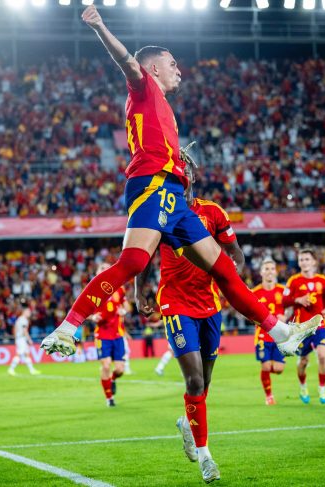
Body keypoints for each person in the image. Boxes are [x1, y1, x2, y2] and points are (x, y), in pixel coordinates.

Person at [41, 4, 319, 370]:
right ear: (154, 68)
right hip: (153, 185)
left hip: (174, 197)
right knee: (134, 261)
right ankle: (67, 328)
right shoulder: (144, 87)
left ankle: (282, 334)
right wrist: (100, 28)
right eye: (173, 64)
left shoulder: (161, 107)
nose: (179, 71)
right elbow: (126, 61)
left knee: (224, 270)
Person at [134, 159, 248, 483]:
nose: (181, 174)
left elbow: (236, 253)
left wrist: (232, 275)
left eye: (185, 170)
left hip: (209, 305)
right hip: (175, 303)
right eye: (175, 170)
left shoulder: (213, 212)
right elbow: (145, 253)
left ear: (192, 176)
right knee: (195, 381)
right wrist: (139, 290)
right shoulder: (160, 211)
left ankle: (188, 421)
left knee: (205, 382)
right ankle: (205, 456)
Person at [283, 249, 325, 405]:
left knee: (322, 357)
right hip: (301, 328)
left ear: (314, 262)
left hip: (319, 325)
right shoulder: (294, 281)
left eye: (307, 259)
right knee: (303, 361)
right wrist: (298, 300)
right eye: (301, 259)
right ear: (298, 263)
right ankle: (303, 387)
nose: (304, 262)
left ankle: (322, 389)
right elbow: (284, 301)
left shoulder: (323, 280)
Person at [90, 263, 129, 407]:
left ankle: (112, 379)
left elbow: (126, 306)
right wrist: (92, 317)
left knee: (120, 370)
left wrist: (124, 311)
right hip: (102, 335)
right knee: (106, 365)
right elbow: (84, 312)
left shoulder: (119, 288)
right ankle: (109, 398)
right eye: (101, 268)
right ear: (97, 273)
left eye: (107, 268)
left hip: (118, 334)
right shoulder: (92, 291)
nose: (104, 270)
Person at [252, 258, 288, 406]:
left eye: (272, 269)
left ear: (276, 272)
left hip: (279, 337)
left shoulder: (283, 290)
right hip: (262, 336)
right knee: (266, 366)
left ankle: (266, 372)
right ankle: (269, 396)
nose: (269, 272)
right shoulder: (255, 292)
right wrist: (255, 319)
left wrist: (286, 316)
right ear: (261, 272)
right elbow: (248, 312)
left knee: (278, 369)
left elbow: (290, 307)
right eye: (266, 269)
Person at [8, 302, 41, 376]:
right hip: (21, 339)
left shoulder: (19, 319)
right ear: (24, 312)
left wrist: (16, 338)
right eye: (28, 312)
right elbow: (25, 331)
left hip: (20, 338)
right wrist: (29, 339)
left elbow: (15, 329)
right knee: (19, 354)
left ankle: (32, 370)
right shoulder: (23, 320)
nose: (29, 313)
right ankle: (11, 369)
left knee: (27, 354)